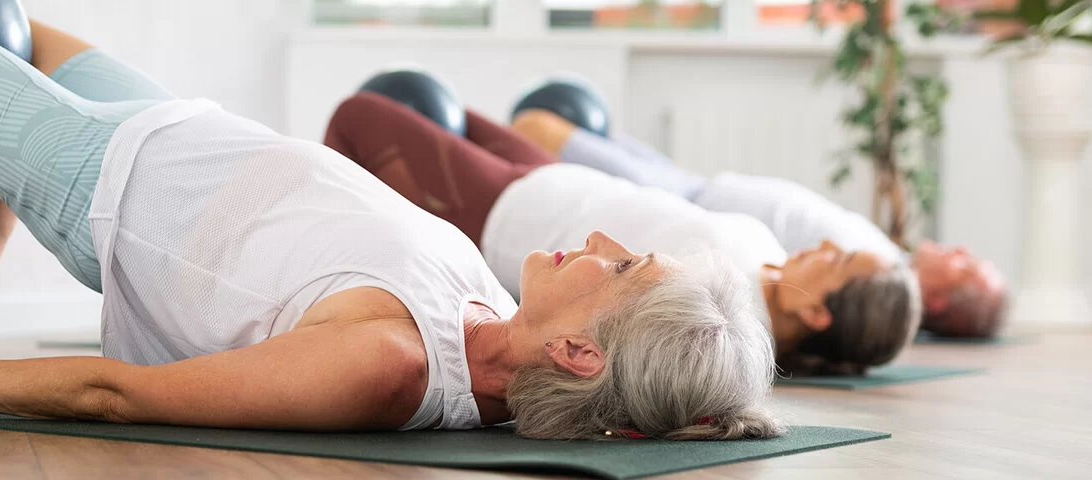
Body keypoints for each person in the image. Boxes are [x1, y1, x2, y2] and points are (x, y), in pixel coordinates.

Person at [0, 0, 782, 441]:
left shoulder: (390, 365)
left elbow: (117, 391)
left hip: (102, 182)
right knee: (4, 20)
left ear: (579, 348)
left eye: (622, 263)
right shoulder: (492, 322)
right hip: (170, 126)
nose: (596, 241)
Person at [325, 91, 922, 376]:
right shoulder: (767, 266)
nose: (823, 245)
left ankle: (325, 269)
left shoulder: (715, 315)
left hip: (512, 214)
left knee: (362, 116)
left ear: (818, 313)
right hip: (561, 179)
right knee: (447, 106)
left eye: (837, 261)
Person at [512, 108, 1008, 338]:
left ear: (937, 300)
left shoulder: (870, 278)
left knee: (538, 128)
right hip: (692, 189)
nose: (961, 247)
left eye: (967, 266)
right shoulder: (881, 259)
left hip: (676, 200)